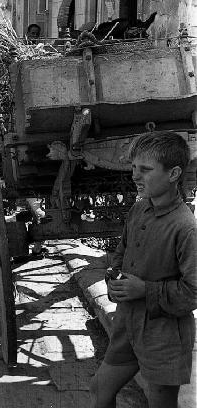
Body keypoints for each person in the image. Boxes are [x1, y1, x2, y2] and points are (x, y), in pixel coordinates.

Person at [90, 131, 197, 408]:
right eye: (134, 168)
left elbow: (194, 291)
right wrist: (114, 277)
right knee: (100, 387)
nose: (136, 176)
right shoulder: (139, 210)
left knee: (160, 401)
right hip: (128, 322)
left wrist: (144, 289)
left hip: (165, 333)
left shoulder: (185, 228)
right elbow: (122, 252)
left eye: (146, 170)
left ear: (173, 173)